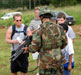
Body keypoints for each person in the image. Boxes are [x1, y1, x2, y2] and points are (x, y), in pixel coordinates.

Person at [23, 8, 67, 75]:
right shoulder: (59, 28)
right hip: (58, 59)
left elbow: (35, 47)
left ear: (41, 17)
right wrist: (56, 49)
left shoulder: (40, 30)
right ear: (50, 17)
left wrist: (28, 49)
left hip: (45, 62)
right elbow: (65, 42)